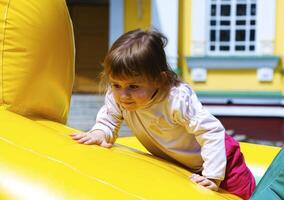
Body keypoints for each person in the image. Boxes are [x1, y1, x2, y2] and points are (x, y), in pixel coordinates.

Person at [70, 29, 255, 199]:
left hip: (223, 160)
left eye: (133, 86)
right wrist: (99, 133)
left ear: (160, 80)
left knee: (245, 196)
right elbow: (109, 119)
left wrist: (213, 176)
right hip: (181, 164)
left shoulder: (176, 100)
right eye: (116, 84)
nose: (123, 95)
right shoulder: (118, 97)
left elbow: (211, 132)